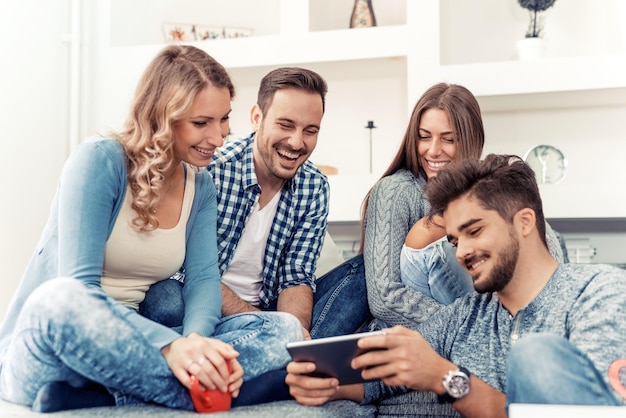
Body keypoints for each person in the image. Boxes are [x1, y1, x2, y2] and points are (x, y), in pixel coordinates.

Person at [0, 44, 303, 413]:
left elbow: (204, 279)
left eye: (224, 119)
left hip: (136, 351)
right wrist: (170, 347)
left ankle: (110, 396)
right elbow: (81, 286)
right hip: (59, 349)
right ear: (163, 116)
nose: (219, 136)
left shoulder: (200, 184)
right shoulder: (99, 160)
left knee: (282, 329)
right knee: (59, 298)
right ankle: (237, 392)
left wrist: (195, 344)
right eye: (201, 123)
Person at [285, 154, 626, 415]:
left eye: (474, 231)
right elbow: (382, 378)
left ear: (524, 222)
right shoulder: (464, 317)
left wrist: (446, 378)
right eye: (453, 240)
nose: (462, 252)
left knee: (535, 356)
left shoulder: (599, 292)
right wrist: (330, 385)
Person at [141, 66, 371, 340]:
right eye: (285, 125)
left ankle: (286, 354)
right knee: (164, 299)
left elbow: (295, 276)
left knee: (364, 275)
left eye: (310, 130)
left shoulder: (314, 186)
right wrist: (267, 327)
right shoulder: (211, 170)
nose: (297, 142)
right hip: (204, 307)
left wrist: (293, 331)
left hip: (270, 310)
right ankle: (264, 354)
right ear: (256, 117)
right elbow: (189, 273)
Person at [361, 83, 565, 327]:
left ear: (471, 140)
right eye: (423, 137)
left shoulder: (490, 184)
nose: (433, 151)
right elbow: (384, 296)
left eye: (449, 139)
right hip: (423, 332)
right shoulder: (396, 191)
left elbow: (548, 256)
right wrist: (469, 329)